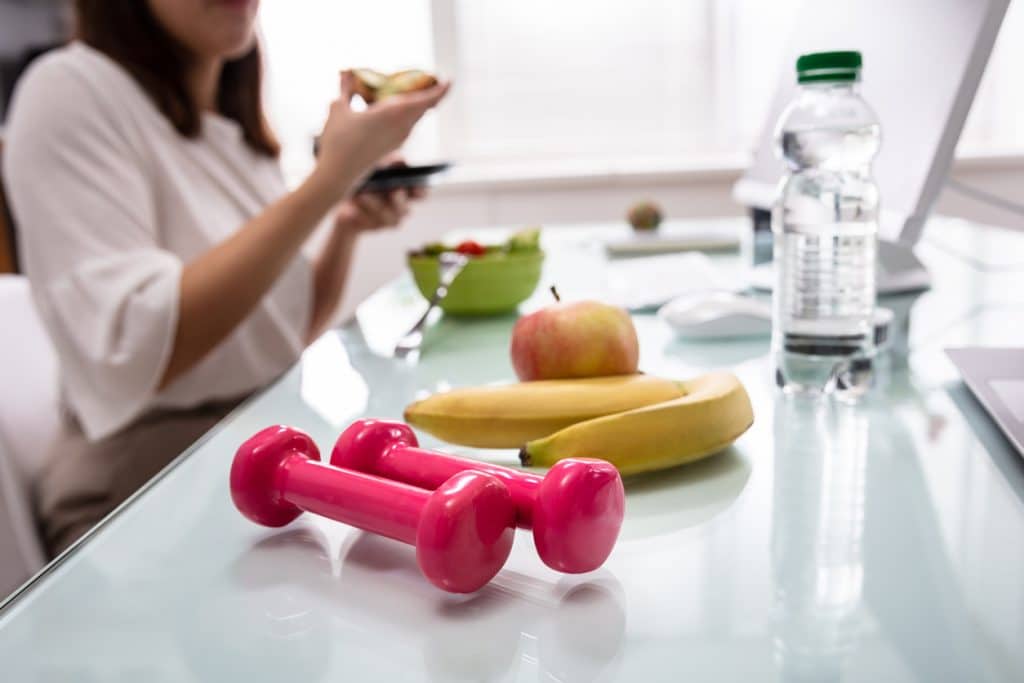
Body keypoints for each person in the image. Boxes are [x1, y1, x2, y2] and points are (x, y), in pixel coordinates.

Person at [2, 0, 448, 556]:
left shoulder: (234, 133)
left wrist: (344, 227)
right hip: (142, 490)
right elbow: (141, 346)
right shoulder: (68, 90)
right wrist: (329, 180)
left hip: (263, 451)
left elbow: (278, 330)